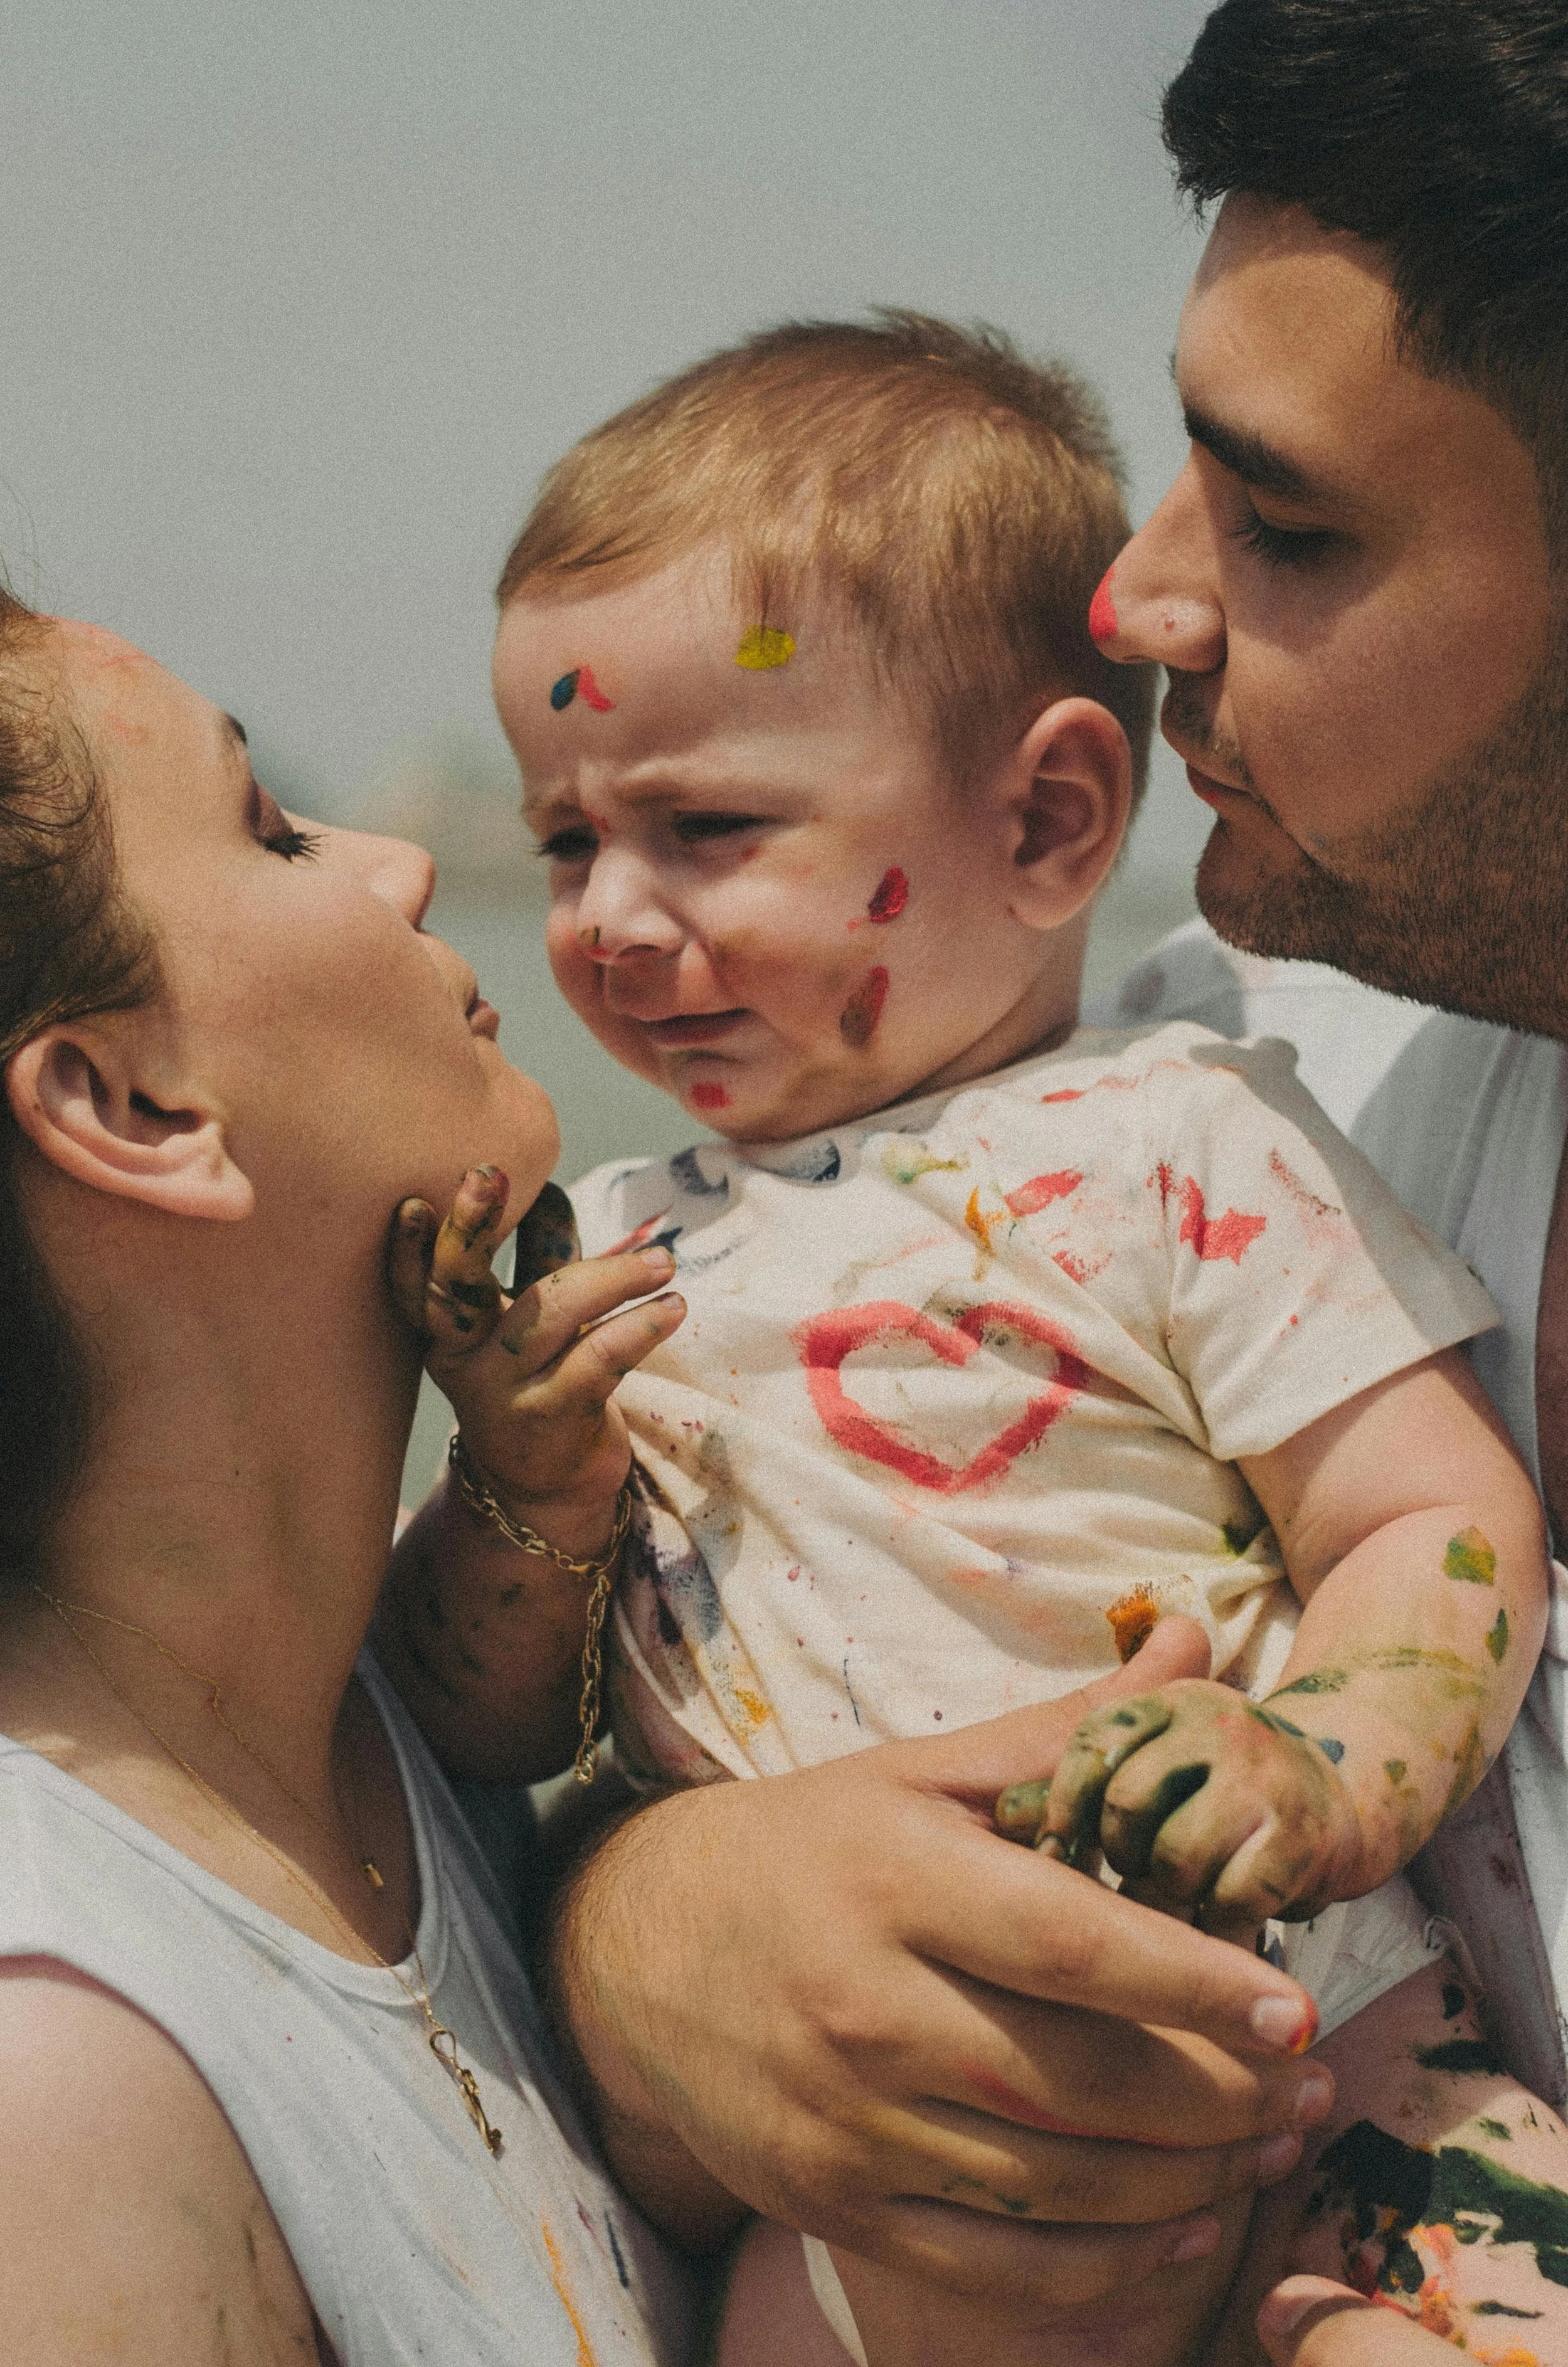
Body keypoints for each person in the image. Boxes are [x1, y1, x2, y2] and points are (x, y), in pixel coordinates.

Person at [386, 315, 1568, 2363]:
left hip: (1322, 2049)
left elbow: (1432, 1515)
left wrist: (1319, 1763)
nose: (599, 916)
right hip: (878, 2160)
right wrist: (523, 1491)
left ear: (1041, 826)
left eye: (707, 829)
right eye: (568, 838)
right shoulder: (615, 1258)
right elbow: (475, 1737)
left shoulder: (1181, 1133)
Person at [0, 595, 716, 2363]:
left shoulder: (394, 1717)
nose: (402, 864)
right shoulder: (59, 2091)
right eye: (271, 826)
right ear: (133, 1105)